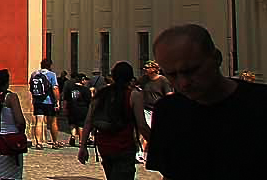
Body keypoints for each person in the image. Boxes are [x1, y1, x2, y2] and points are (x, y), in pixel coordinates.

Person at [146, 23, 267, 179]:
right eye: (172, 75)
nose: (183, 83)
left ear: (216, 58)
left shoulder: (260, 104)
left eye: (190, 71)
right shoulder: (168, 111)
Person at [78, 61, 148, 180]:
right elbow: (141, 124)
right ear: (130, 77)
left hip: (104, 146)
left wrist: (83, 146)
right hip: (124, 145)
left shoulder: (101, 94)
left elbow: (89, 121)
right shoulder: (133, 95)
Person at [0, 68, 26, 179]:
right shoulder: (11, 97)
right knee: (13, 174)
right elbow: (20, 120)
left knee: (2, 174)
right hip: (10, 138)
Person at [137, 59, 171, 162]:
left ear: (154, 69)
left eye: (147, 68)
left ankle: (150, 153)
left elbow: (168, 94)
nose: (145, 70)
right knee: (144, 130)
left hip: (158, 110)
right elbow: (137, 88)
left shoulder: (163, 80)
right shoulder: (143, 79)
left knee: (155, 132)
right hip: (145, 108)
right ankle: (141, 153)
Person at [27, 57, 60, 148]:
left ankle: (38, 143)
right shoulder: (51, 75)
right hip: (49, 101)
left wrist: (33, 99)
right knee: (53, 122)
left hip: (38, 101)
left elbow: (31, 88)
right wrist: (57, 101)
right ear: (50, 66)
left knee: (39, 121)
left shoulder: (34, 74)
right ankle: (55, 142)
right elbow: (55, 88)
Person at [64, 71, 93, 147]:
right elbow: (89, 101)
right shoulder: (86, 90)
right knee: (81, 125)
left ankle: (73, 136)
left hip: (71, 108)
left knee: (72, 123)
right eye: (85, 80)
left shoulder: (70, 88)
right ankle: (81, 140)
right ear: (82, 80)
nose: (86, 81)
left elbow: (66, 99)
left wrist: (65, 108)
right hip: (82, 109)